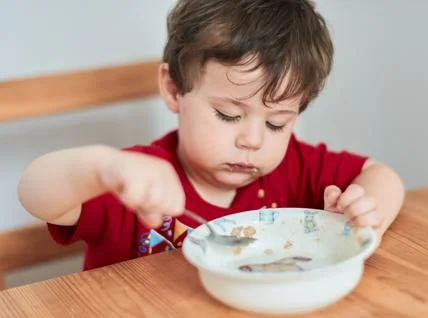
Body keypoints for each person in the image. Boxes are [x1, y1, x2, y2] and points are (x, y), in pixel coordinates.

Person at [17, 0, 405, 270]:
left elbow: (382, 175)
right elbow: (36, 193)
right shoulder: (134, 181)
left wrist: (365, 212)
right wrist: (103, 167)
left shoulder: (295, 165)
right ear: (174, 90)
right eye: (228, 114)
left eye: (277, 123)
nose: (253, 140)